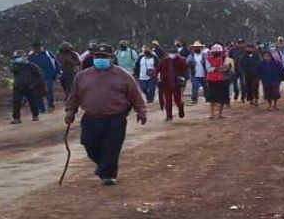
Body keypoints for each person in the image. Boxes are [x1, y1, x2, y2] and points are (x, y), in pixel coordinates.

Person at [64, 44, 146, 186]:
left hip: (115, 118)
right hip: (91, 117)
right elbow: (74, 96)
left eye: (104, 57)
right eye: (98, 56)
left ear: (111, 58)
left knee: (111, 148)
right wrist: (70, 111)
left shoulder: (123, 76)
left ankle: (109, 175)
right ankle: (103, 167)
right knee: (89, 144)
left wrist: (141, 111)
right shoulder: (83, 76)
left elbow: (135, 95)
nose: (100, 59)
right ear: (93, 57)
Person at [10, 50, 46, 124]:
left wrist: (34, 84)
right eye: (16, 57)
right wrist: (19, 64)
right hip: (18, 86)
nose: (18, 59)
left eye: (19, 57)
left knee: (32, 102)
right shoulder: (15, 66)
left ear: (25, 57)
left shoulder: (32, 66)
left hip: (30, 86)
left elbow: (39, 76)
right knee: (16, 102)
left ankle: (35, 115)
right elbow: (13, 70)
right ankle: (16, 118)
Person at [157, 46, 187, 121]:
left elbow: (185, 71)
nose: (172, 54)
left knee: (177, 100)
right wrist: (159, 79)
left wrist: (183, 79)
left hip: (176, 83)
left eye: (174, 53)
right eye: (171, 53)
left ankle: (180, 109)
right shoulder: (164, 61)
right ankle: (169, 116)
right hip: (166, 83)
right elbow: (158, 71)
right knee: (167, 100)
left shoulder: (181, 60)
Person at [28, 42, 60, 112]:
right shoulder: (31, 57)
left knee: (49, 91)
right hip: (36, 78)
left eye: (39, 47)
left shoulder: (48, 54)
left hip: (48, 76)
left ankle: (50, 105)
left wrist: (57, 72)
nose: (38, 49)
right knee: (37, 93)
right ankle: (41, 108)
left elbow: (56, 62)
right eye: (36, 48)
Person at [205, 44, 233, 120]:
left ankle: (220, 113)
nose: (217, 53)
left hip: (222, 79)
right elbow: (209, 69)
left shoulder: (225, 58)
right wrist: (219, 68)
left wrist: (216, 69)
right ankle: (212, 113)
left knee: (222, 98)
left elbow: (226, 67)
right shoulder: (208, 59)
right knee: (212, 97)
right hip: (212, 80)